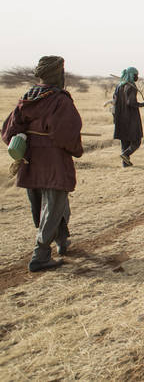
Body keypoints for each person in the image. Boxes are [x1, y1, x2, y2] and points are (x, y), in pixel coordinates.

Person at [1, 56, 83, 272]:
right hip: (54, 160)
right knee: (54, 204)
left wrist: (26, 142)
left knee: (46, 205)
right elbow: (67, 133)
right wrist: (76, 149)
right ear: (59, 75)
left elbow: (9, 130)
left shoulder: (27, 97)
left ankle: (62, 241)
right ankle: (41, 254)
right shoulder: (60, 100)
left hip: (30, 160)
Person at [113, 67, 144, 167]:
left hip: (120, 117)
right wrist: (142, 104)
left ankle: (125, 163)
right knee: (136, 141)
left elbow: (114, 101)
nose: (137, 77)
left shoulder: (119, 86)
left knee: (125, 140)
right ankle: (125, 154)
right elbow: (130, 102)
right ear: (131, 75)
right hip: (131, 118)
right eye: (136, 75)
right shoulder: (131, 86)